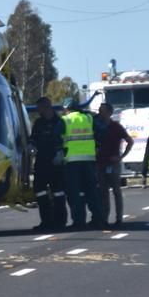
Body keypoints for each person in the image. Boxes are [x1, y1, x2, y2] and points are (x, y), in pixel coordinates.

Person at [60, 100, 102, 230]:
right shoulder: (89, 118)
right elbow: (102, 132)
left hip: (72, 161)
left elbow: (55, 136)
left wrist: (59, 151)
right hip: (89, 160)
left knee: (74, 193)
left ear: (67, 108)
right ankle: (97, 219)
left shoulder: (65, 120)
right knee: (92, 191)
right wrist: (97, 146)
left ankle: (79, 221)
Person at [29, 96, 68, 231]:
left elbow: (66, 140)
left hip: (56, 163)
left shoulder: (60, 122)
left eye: (40, 108)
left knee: (58, 193)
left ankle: (60, 221)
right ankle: (46, 221)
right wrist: (31, 146)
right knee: (40, 191)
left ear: (47, 107)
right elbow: (33, 138)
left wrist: (62, 154)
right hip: (41, 162)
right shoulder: (38, 123)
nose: (39, 111)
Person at [94, 102, 134, 229]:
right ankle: (104, 219)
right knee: (103, 192)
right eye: (100, 110)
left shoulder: (116, 127)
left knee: (116, 191)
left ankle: (119, 219)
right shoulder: (96, 127)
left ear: (109, 113)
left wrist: (121, 157)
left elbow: (130, 141)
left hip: (113, 164)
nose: (100, 113)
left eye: (103, 111)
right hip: (100, 163)